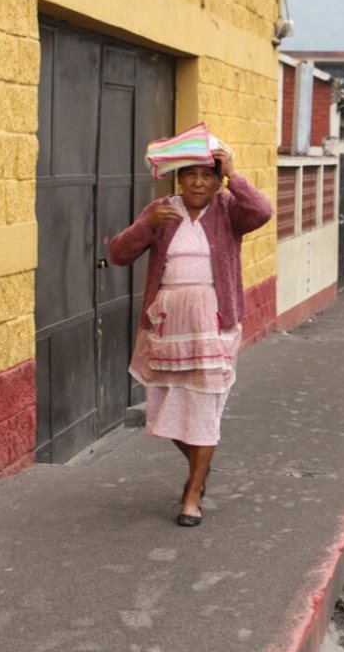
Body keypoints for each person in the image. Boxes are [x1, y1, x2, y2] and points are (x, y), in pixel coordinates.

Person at [108, 146, 273, 526]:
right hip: (167, 324)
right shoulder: (162, 210)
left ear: (218, 181)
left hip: (214, 321)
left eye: (208, 175)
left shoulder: (231, 209)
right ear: (179, 178)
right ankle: (203, 464)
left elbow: (262, 211)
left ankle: (193, 493)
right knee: (165, 410)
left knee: (207, 407)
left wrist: (235, 173)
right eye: (191, 174)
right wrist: (144, 225)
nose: (199, 182)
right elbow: (119, 254)